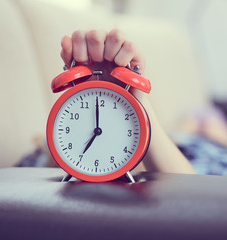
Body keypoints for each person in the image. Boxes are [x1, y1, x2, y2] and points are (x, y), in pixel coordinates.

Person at [59, 29, 196, 175]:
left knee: (198, 123)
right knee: (196, 123)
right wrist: (133, 101)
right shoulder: (47, 151)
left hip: (193, 135)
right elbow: (190, 190)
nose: (98, 131)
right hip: (188, 142)